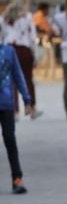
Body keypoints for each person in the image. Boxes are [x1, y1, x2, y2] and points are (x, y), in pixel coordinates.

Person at [0, 41, 34, 194]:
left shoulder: (9, 51)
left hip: (6, 104)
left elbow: (18, 74)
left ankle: (17, 179)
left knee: (10, 140)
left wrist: (27, 99)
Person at [2, 0, 41, 119]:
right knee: (27, 79)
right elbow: (33, 37)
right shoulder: (28, 17)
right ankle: (31, 108)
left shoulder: (3, 19)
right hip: (24, 50)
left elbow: (2, 36)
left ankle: (14, 111)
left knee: (10, 81)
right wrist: (35, 54)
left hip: (8, 49)